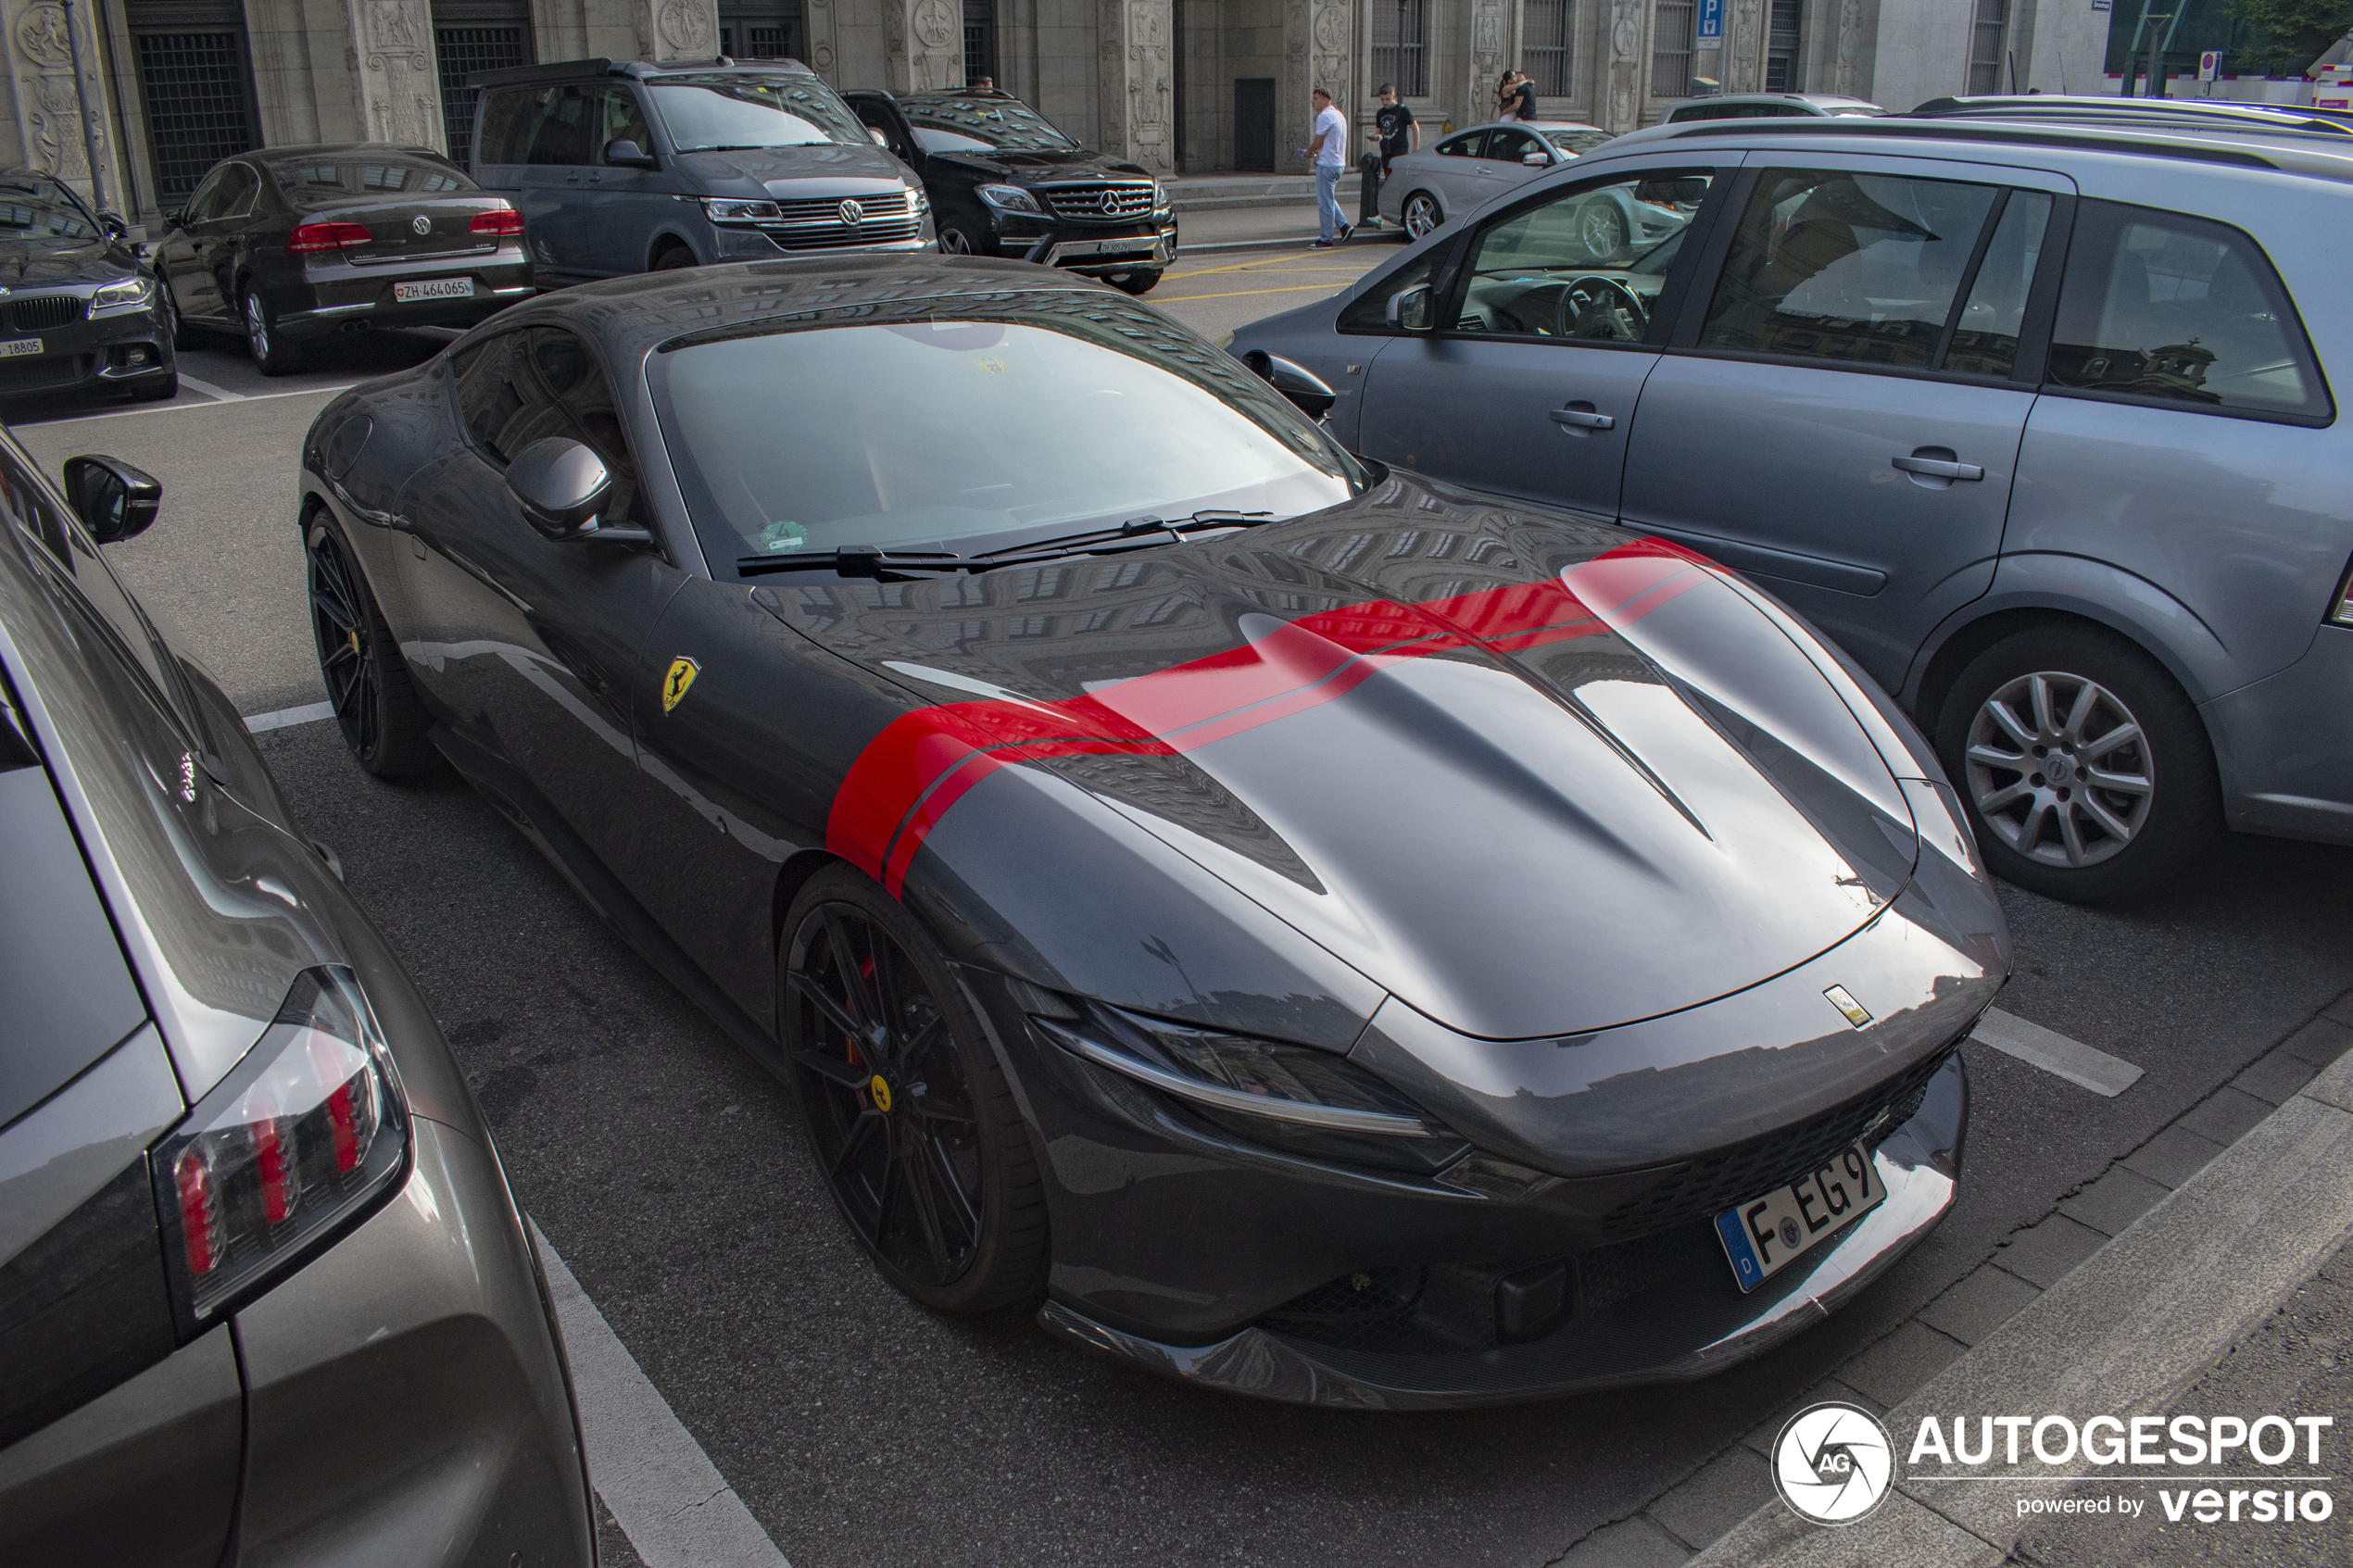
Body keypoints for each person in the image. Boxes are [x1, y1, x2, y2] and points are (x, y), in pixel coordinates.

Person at [1360, 83, 1417, 228]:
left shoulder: (1402, 110)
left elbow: (1415, 128)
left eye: (1387, 99)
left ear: (1394, 96)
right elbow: (1380, 132)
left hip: (1400, 151)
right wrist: (1376, 137)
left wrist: (1415, 150)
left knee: (1397, 184)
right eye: (1382, 99)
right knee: (1390, 184)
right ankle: (1387, 214)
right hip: (1386, 151)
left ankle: (1387, 214)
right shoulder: (1380, 113)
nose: (1385, 102)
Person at [1305, 87, 1350, 247]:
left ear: (1325, 99)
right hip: (1339, 164)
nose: (1312, 101)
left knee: (1324, 203)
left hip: (1327, 164)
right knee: (1328, 198)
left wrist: (1309, 152)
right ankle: (1344, 226)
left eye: (1315, 98)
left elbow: (1319, 142)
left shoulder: (1324, 116)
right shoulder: (1339, 114)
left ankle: (1326, 239)